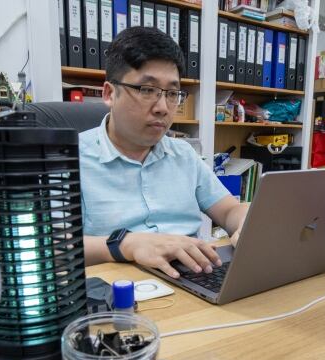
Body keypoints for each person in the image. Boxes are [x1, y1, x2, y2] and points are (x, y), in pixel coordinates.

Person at [79, 27, 248, 279]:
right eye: (147, 90)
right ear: (109, 94)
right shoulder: (70, 159)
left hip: (192, 279)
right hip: (118, 291)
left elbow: (229, 210)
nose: (162, 108)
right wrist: (126, 244)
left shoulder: (184, 154)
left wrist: (247, 224)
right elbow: (51, 246)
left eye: (172, 94)